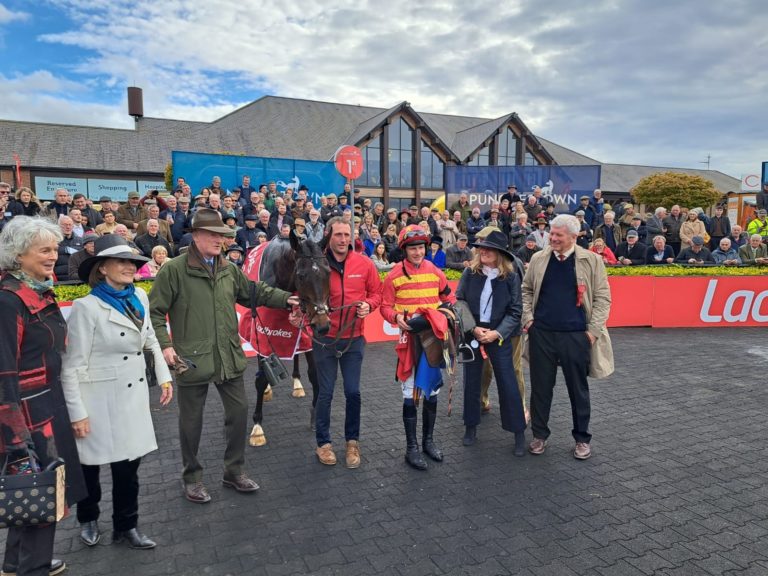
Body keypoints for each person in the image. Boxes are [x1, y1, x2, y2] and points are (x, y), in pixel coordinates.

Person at [149, 209, 298, 503]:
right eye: (215, 235)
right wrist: (166, 345)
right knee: (191, 423)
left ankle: (234, 472)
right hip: (191, 359)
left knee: (239, 413)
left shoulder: (229, 269)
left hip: (228, 356)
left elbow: (254, 293)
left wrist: (287, 299)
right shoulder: (174, 270)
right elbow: (154, 312)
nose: (222, 240)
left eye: (224, 236)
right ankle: (192, 477)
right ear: (196, 235)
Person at [60, 235, 173, 551]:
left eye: (133, 262)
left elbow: (150, 340)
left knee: (128, 470)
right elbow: (71, 366)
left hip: (131, 399)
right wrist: (77, 413)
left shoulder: (140, 296)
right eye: (121, 261)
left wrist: (164, 378)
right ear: (102, 268)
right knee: (90, 469)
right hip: (96, 402)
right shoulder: (87, 307)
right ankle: (89, 519)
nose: (129, 267)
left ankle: (127, 526)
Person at [0, 216, 87, 576]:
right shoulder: (9, 301)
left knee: (29, 490)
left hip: (48, 405)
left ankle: (13, 564)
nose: (53, 256)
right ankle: (32, 568)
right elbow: (3, 372)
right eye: (44, 250)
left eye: (54, 248)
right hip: (28, 415)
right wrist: (16, 438)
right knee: (43, 490)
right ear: (18, 255)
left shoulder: (35, 290)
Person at [522, 215, 613, 461]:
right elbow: (526, 290)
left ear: (574, 237)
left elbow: (604, 298)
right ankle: (539, 435)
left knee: (578, 390)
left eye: (558, 235)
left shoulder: (592, 260)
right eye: (551, 234)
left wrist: (592, 333)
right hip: (542, 334)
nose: (552, 238)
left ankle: (582, 439)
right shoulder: (539, 258)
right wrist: (528, 320)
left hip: (576, 336)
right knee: (540, 389)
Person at [380, 225, 455, 471]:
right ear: (404, 250)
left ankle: (428, 442)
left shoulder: (434, 270)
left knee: (432, 390)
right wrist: (395, 318)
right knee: (411, 392)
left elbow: (448, 297)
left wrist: (446, 312)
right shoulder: (393, 276)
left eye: (421, 247)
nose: (417, 252)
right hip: (410, 341)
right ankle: (411, 448)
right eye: (413, 248)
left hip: (433, 338)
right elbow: (385, 306)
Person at [312, 218, 382, 468]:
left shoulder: (364, 263)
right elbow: (305, 292)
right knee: (326, 393)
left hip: (354, 339)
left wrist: (369, 305)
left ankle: (352, 442)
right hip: (325, 339)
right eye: (338, 234)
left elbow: (377, 293)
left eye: (346, 235)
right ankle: (323, 443)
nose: (343, 239)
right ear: (328, 236)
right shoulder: (317, 264)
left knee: (353, 392)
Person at [457, 230, 527, 455]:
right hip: (474, 335)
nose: (483, 251)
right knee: (472, 382)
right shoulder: (470, 273)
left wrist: (496, 334)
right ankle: (470, 427)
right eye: (481, 248)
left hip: (499, 337)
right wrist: (473, 328)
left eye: (489, 249)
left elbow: (516, 312)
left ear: (500, 254)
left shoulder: (511, 277)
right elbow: (460, 302)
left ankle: (518, 433)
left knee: (508, 383)